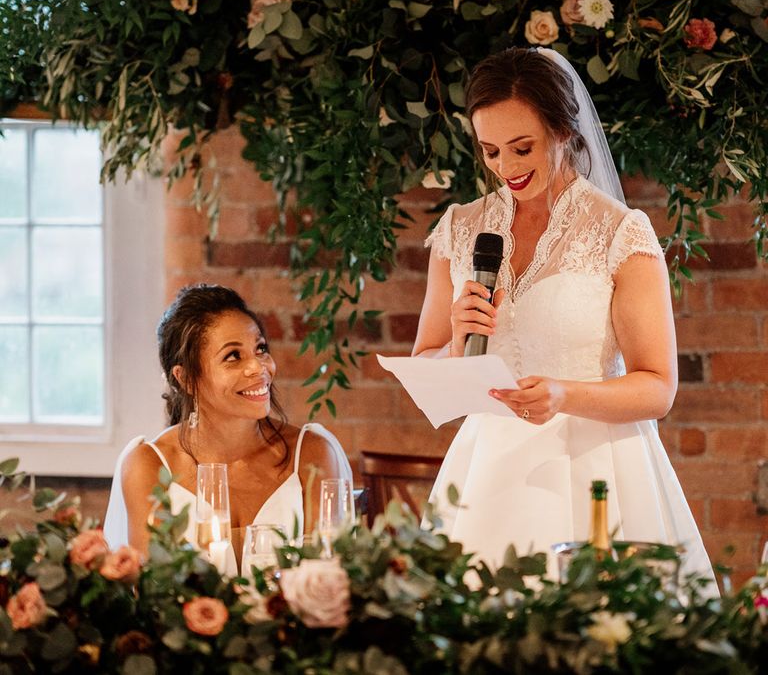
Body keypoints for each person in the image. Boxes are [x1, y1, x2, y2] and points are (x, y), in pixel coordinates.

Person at [412, 47, 715, 586]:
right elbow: (427, 365)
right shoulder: (461, 230)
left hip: (598, 467)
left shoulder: (621, 232)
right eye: (490, 151)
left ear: (564, 131)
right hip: (486, 474)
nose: (505, 168)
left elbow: (658, 388)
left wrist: (563, 394)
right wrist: (458, 343)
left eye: (521, 147)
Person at [103, 284, 352, 572]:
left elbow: (328, 578)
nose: (259, 368)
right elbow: (153, 595)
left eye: (260, 349)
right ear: (185, 379)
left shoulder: (312, 454)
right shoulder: (148, 466)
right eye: (233, 356)